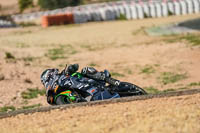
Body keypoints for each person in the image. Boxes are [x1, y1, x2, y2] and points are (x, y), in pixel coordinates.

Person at [40, 64, 120, 105]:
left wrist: (71, 68)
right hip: (82, 95)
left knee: (86, 70)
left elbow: (75, 66)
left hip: (87, 82)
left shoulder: (63, 74)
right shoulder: (51, 94)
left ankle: (109, 80)